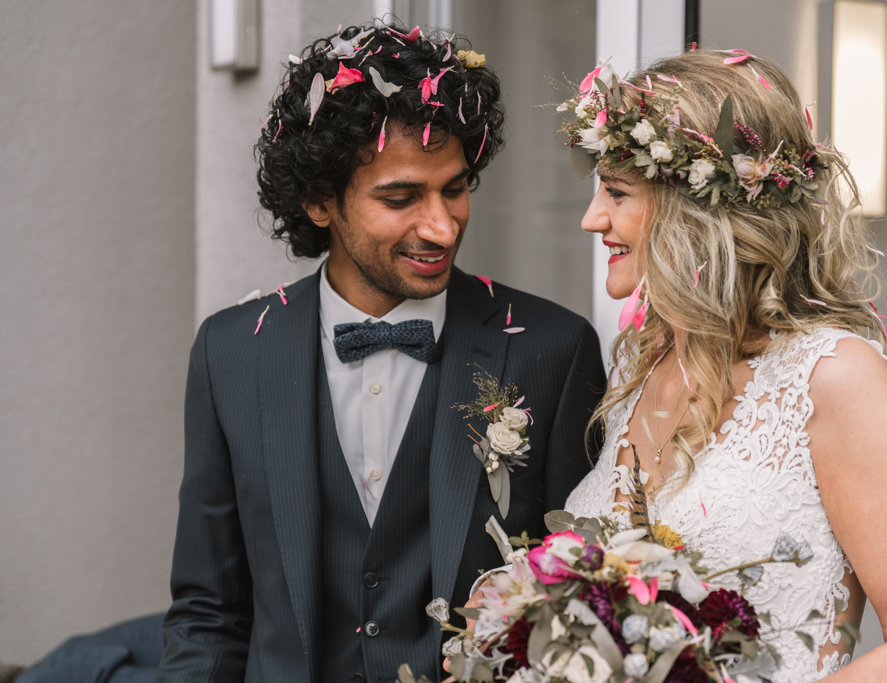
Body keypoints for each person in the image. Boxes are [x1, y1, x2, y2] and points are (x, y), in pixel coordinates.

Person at [155, 23, 605, 683]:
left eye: (454, 188)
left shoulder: (552, 350)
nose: (441, 225)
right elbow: (208, 613)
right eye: (401, 198)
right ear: (318, 201)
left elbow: (582, 599)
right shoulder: (230, 354)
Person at [559, 51, 887, 682]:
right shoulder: (642, 371)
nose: (593, 218)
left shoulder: (835, 381)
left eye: (617, 192)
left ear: (696, 211)